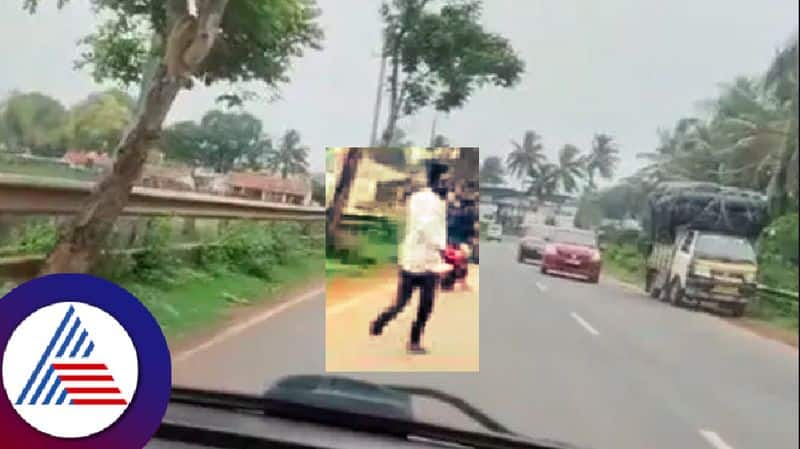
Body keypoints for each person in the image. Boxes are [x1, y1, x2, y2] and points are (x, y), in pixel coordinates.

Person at [369, 160, 449, 354]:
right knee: (425, 305)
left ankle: (380, 322)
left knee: (401, 302)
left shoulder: (416, 198)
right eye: (445, 181)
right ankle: (413, 342)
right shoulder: (433, 203)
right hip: (427, 260)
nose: (448, 186)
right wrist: (441, 247)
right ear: (438, 181)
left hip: (411, 257)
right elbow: (427, 227)